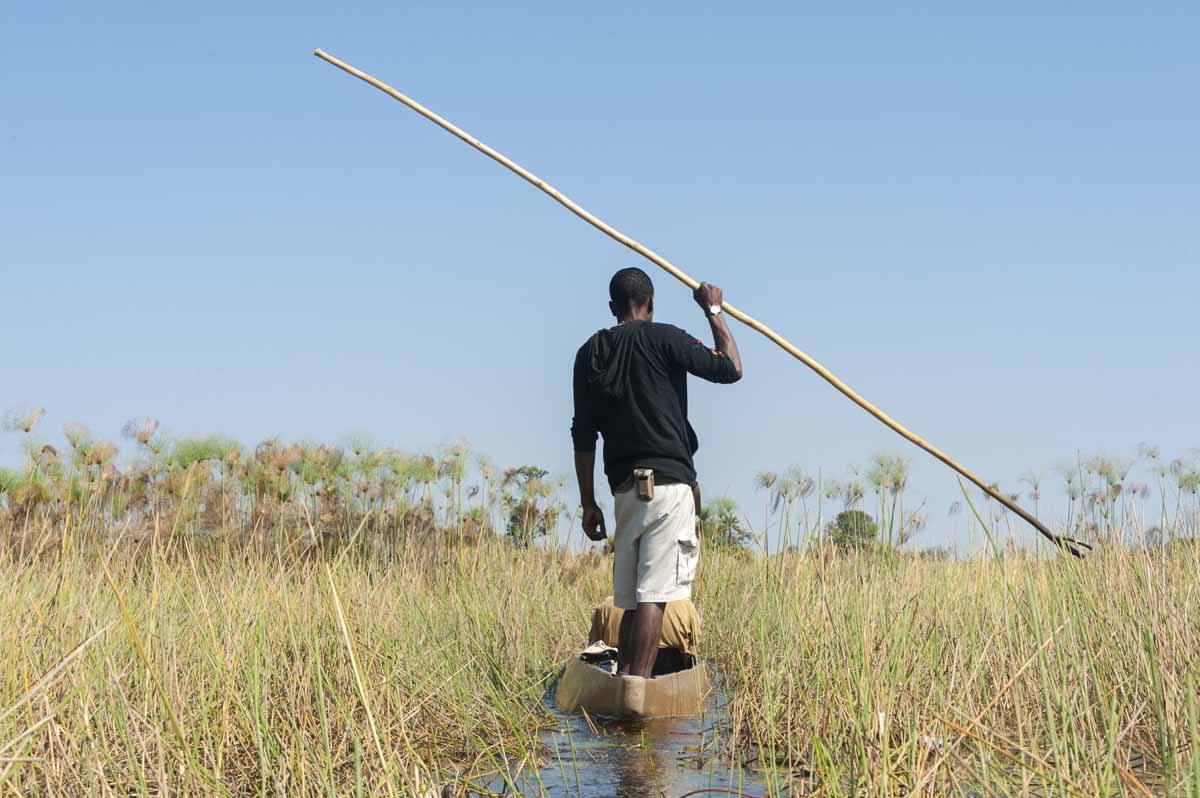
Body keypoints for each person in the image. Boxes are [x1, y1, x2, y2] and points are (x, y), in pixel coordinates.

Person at [571, 266, 742, 678]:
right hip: (668, 486)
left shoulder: (589, 353)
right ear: (650, 304)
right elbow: (730, 367)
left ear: (613, 308)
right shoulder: (665, 337)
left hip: (624, 492)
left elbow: (583, 434)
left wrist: (588, 503)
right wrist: (714, 310)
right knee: (655, 598)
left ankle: (627, 683)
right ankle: (636, 689)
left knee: (630, 601)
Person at [588, 596, 700, 674]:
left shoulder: (607, 605)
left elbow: (593, 651)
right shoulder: (685, 605)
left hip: (620, 667)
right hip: (672, 670)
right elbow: (692, 651)